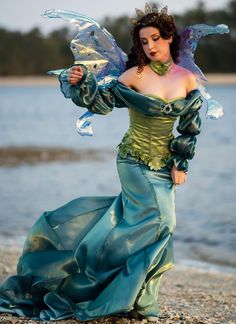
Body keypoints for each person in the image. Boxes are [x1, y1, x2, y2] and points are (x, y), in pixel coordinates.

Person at [0, 5, 203, 322]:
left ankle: (138, 300)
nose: (149, 46)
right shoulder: (133, 75)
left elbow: (190, 125)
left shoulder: (186, 78)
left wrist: (181, 163)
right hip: (134, 161)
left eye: (155, 39)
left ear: (169, 38)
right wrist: (83, 83)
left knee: (148, 228)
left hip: (165, 166)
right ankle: (113, 289)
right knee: (165, 222)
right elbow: (102, 103)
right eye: (144, 41)